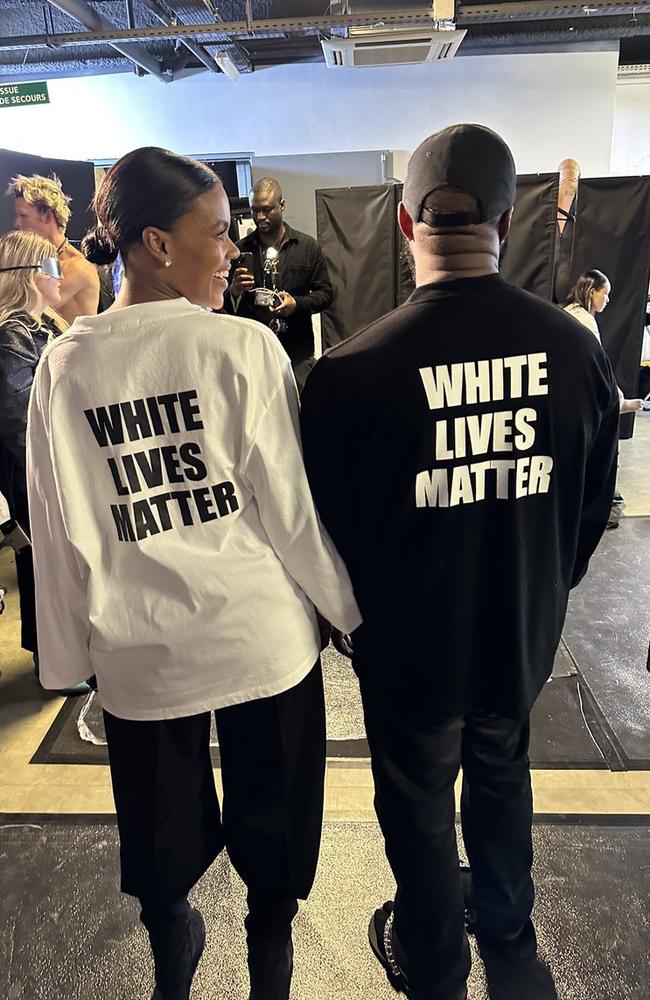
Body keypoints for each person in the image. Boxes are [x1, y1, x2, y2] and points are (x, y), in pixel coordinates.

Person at [26, 146, 360, 1000]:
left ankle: (172, 953)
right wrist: (347, 613)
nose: (233, 250)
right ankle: (269, 962)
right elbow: (289, 511)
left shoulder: (64, 364)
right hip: (261, 640)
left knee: (157, 838)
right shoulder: (244, 349)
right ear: (156, 244)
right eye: (217, 233)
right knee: (276, 823)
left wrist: (69, 666)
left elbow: (56, 530)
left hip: (141, 656)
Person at [300, 124, 620, 1000]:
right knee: (502, 776)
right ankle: (512, 943)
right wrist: (543, 585)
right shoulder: (576, 351)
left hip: (408, 652)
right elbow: (593, 507)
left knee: (414, 804)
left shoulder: (347, 373)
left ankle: (435, 962)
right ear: (510, 222)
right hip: (518, 634)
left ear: (405, 227)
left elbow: (322, 535)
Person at [0, 230, 88, 694]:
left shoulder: (40, 327)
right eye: (52, 267)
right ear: (32, 276)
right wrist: (54, 475)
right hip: (31, 474)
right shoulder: (11, 335)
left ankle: (59, 655)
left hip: (48, 466)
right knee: (42, 563)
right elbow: (20, 424)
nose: (62, 275)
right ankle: (51, 663)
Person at [226, 177, 334, 391]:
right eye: (254, 210)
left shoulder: (308, 247)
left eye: (266, 210)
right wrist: (234, 291)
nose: (259, 217)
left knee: (305, 414)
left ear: (282, 205)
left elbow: (326, 294)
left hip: (297, 353)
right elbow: (221, 305)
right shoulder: (239, 251)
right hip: (254, 354)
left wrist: (297, 304)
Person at [564, 269, 644, 528]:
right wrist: (617, 398)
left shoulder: (570, 314)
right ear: (591, 292)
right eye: (605, 294)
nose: (607, 300)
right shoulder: (584, 321)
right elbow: (600, 364)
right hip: (580, 397)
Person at [8, 172, 100, 325]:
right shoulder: (41, 261)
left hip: (73, 348)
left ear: (47, 217)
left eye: (23, 215)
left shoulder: (78, 266)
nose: (17, 223)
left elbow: (26, 311)